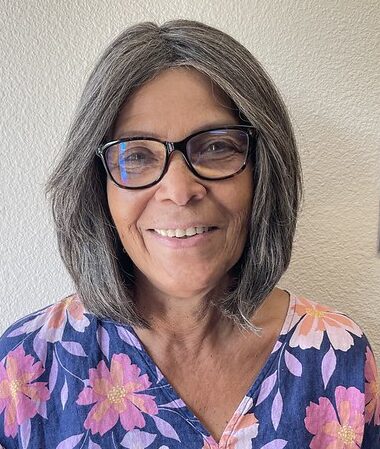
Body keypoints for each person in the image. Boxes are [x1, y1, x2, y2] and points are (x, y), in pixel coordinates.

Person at [0, 19, 378, 449]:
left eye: (217, 147)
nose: (180, 191)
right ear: (95, 185)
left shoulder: (338, 356)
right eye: (137, 155)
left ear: (263, 172)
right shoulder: (24, 370)